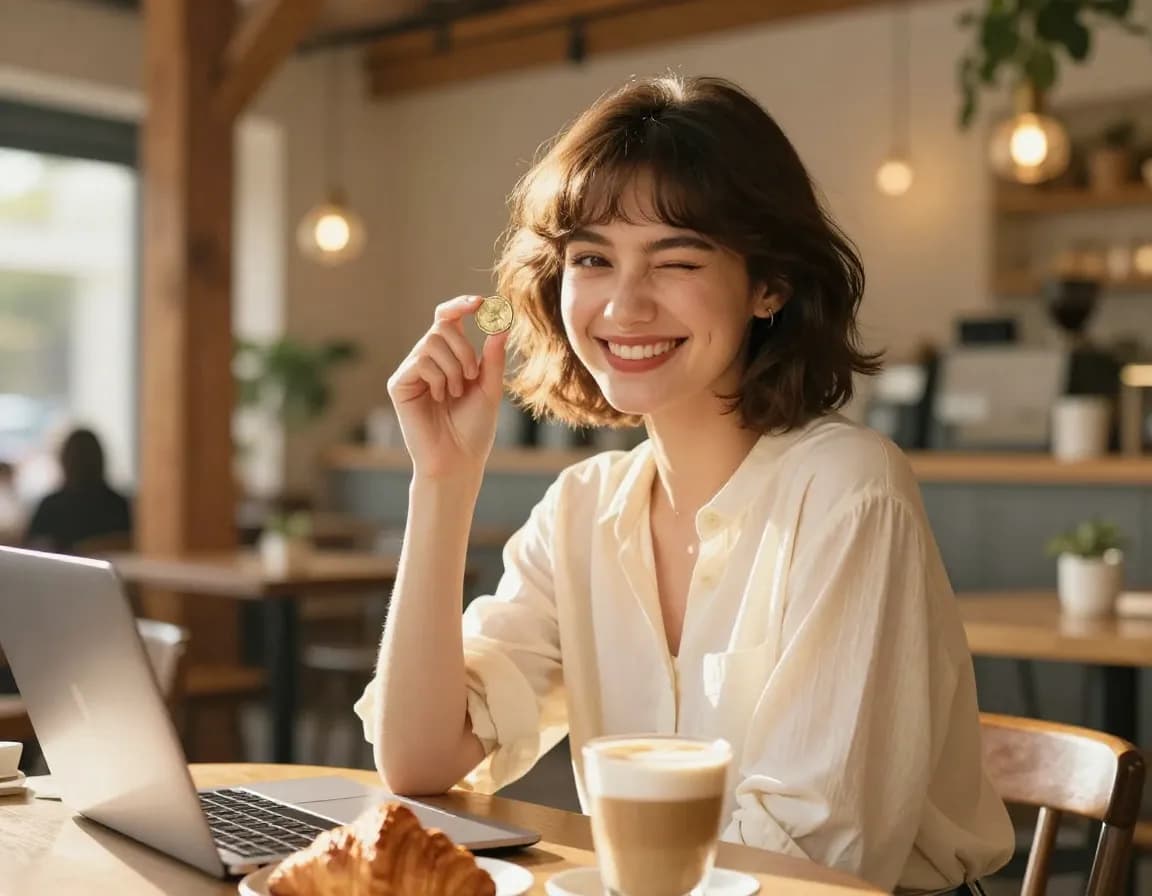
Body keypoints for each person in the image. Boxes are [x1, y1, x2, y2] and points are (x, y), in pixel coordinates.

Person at [355, 75, 1013, 893]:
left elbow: (811, 866)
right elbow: (418, 761)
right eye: (592, 259)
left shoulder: (847, 490)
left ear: (769, 285)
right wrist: (443, 482)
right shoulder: (581, 509)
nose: (624, 306)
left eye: (677, 260)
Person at [23, 427, 132, 554]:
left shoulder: (51, 505)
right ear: (100, 460)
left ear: (64, 461)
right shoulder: (118, 504)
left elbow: (32, 549)